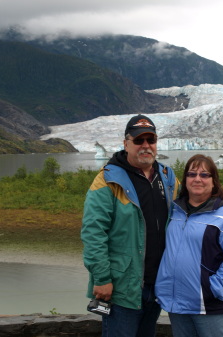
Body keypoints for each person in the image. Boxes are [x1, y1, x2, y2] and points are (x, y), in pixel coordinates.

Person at [81, 114, 180, 337]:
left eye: (151, 140)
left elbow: (185, 214)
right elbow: (94, 232)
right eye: (138, 140)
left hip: (157, 284)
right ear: (126, 144)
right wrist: (102, 278)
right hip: (121, 286)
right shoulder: (108, 179)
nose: (145, 146)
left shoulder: (167, 176)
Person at [155, 154, 223, 337]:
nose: (197, 179)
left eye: (204, 175)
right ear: (185, 180)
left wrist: (214, 289)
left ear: (214, 181)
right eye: (192, 174)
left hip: (209, 306)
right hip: (178, 304)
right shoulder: (175, 211)